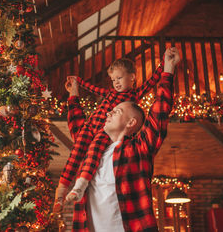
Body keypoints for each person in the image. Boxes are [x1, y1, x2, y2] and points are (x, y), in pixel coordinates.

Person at [57, 48, 179, 231]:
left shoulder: (139, 148)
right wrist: (74, 93)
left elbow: (160, 109)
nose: (109, 111)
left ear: (131, 122)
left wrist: (168, 68)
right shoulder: (93, 149)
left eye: (117, 110)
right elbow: (78, 128)